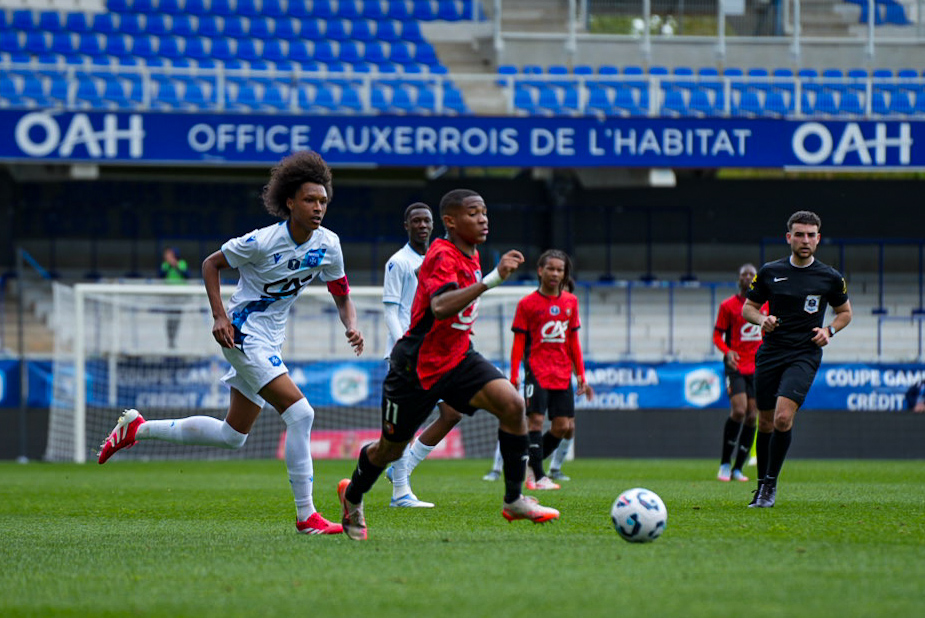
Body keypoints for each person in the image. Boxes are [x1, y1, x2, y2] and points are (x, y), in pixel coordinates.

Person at [98, 151, 365, 536]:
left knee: (232, 436)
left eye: (323, 201)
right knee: (301, 414)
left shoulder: (329, 244)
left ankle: (138, 429)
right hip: (241, 333)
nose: (318, 207)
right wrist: (219, 315)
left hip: (271, 338)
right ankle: (306, 516)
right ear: (290, 201)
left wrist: (350, 324)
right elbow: (211, 264)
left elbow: (341, 292)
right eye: (310, 199)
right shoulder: (261, 241)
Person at [336, 188, 560, 541]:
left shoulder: (470, 253)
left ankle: (515, 498)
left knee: (513, 404)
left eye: (484, 212)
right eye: (473, 213)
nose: (483, 218)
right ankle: (353, 495)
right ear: (451, 221)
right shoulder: (442, 255)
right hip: (416, 367)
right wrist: (492, 279)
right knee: (389, 449)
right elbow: (440, 307)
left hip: (457, 358)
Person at [743, 210, 851, 508]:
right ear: (789, 237)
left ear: (818, 238)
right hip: (771, 351)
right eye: (800, 234)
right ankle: (761, 485)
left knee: (782, 417)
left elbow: (845, 313)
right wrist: (762, 319)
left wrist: (829, 330)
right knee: (764, 422)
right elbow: (748, 309)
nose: (806, 240)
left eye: (811, 235)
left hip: (804, 353)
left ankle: (769, 488)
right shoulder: (769, 271)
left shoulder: (830, 277)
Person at [382, 202, 463, 508]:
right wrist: (406, 345)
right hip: (409, 354)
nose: (422, 225)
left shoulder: (438, 258)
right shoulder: (398, 262)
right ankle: (401, 493)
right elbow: (391, 310)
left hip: (436, 353)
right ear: (407, 225)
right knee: (407, 420)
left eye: (426, 220)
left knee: (452, 413)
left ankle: (400, 471)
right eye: (416, 220)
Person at [510, 249, 593, 490]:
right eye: (551, 268)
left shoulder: (571, 302)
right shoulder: (527, 304)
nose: (555, 273)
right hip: (536, 369)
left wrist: (581, 375)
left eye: (560, 270)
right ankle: (538, 475)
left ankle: (529, 463)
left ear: (565, 274)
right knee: (535, 421)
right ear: (540, 271)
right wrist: (515, 374)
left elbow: (573, 342)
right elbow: (518, 344)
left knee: (563, 427)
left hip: (562, 372)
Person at [713, 263, 765, 483]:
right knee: (739, 410)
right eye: (744, 274)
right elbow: (717, 336)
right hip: (736, 367)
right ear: (739, 279)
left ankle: (738, 468)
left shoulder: (766, 306)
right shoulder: (728, 306)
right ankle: (725, 463)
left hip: (758, 367)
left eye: (752, 274)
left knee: (753, 416)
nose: (748, 277)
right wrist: (727, 351)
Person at [160, 246, 189, 349]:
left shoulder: (181, 264)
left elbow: (186, 275)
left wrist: (175, 265)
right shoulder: (165, 265)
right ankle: (170, 339)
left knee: (177, 318)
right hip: (169, 296)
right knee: (169, 319)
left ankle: (174, 339)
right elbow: (161, 275)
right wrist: (169, 265)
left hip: (179, 296)